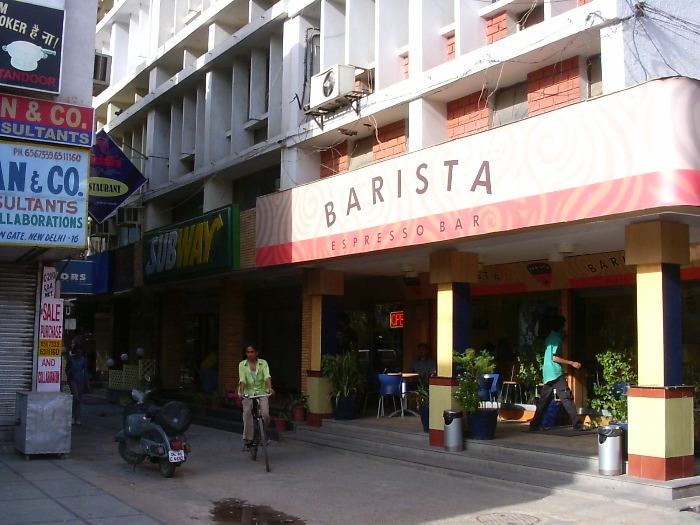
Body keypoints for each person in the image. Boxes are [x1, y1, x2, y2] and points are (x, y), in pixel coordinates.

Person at [529, 315, 589, 431]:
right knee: (567, 397)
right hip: (555, 372)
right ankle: (577, 424)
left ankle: (534, 424)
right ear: (561, 326)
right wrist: (572, 363)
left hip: (547, 372)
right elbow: (554, 357)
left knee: (544, 400)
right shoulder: (556, 338)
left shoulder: (550, 337)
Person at [238, 342, 274, 447]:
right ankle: (249, 438)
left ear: (256, 353)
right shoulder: (242, 365)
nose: (250, 354)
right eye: (248, 352)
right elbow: (243, 380)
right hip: (248, 392)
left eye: (252, 352)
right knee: (247, 412)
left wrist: (270, 388)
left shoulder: (263, 363)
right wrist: (241, 392)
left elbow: (267, 376)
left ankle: (263, 432)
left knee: (265, 414)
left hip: (262, 391)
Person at [65, 337, 90, 426]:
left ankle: (77, 417)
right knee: (75, 397)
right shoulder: (71, 358)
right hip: (73, 379)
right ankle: (72, 415)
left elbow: (86, 371)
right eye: (77, 351)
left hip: (81, 380)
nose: (79, 353)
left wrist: (88, 383)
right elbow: (66, 368)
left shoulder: (84, 360)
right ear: (75, 351)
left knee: (79, 400)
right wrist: (68, 373)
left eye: (80, 352)